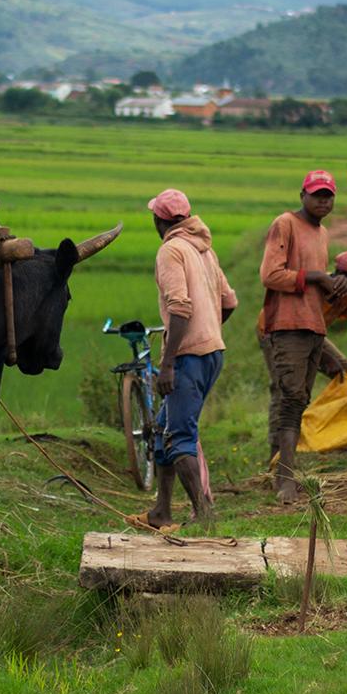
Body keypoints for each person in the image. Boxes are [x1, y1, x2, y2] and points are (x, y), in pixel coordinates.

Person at [136, 188, 238, 528]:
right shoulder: (204, 250)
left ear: (160, 221)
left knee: (179, 437)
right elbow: (229, 302)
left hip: (187, 358)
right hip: (213, 353)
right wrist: (207, 331)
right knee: (165, 428)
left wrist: (168, 363)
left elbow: (179, 308)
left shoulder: (172, 251)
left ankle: (205, 517)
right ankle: (162, 512)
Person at [259, 169, 347, 503]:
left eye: (328, 195)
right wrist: (317, 277)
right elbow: (270, 275)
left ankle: (285, 474)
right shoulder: (285, 224)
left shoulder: (322, 233)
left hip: (313, 325)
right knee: (290, 401)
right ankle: (284, 481)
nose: (323, 201)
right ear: (303, 195)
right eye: (317, 194)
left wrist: (332, 284)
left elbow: (314, 286)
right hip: (287, 325)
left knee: (297, 402)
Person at [260, 249, 347, 460]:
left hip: (313, 332)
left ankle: (332, 429)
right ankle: (277, 452)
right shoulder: (316, 289)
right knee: (285, 389)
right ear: (339, 276)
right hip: (276, 329)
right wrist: (323, 357)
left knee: (344, 371)